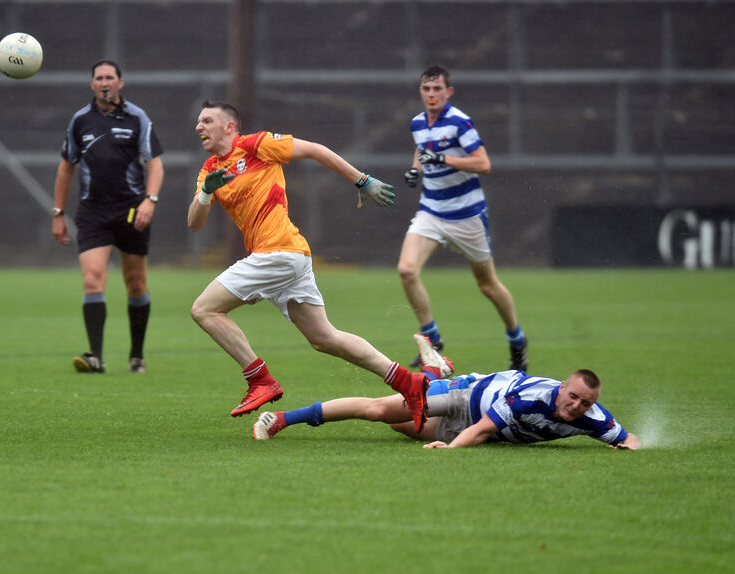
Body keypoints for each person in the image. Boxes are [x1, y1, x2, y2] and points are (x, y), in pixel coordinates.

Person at [187, 100, 430, 430]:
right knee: (324, 338)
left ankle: (259, 380)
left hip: (278, 254)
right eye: (199, 122)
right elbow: (195, 223)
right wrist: (206, 193)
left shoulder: (256, 145)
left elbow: (315, 150)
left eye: (207, 121)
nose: (199, 127)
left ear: (229, 126)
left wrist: (361, 179)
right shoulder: (210, 169)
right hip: (289, 257)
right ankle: (407, 382)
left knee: (204, 309)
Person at [252, 334, 641, 451]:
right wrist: (451, 449)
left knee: (399, 426)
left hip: (474, 424)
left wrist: (627, 447)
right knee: (379, 411)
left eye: (585, 402)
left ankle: (433, 370)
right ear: (562, 387)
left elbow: (629, 439)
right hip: (465, 397)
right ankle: (282, 420)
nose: (576, 406)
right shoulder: (531, 399)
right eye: (573, 396)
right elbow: (482, 429)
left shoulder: (592, 418)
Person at [400, 65, 528, 372]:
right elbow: (422, 150)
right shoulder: (417, 123)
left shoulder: (460, 122)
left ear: (449, 92)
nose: (432, 94)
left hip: (467, 216)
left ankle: (517, 339)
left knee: (487, 286)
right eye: (427, 89)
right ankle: (432, 338)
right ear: (421, 92)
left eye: (437, 89)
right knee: (406, 270)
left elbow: (483, 164)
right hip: (431, 211)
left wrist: (442, 158)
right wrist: (416, 170)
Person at [52, 59, 164, 374]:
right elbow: (66, 168)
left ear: (120, 83)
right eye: (99, 78)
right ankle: (95, 358)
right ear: (92, 84)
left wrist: (150, 201)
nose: (104, 83)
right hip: (93, 212)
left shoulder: (137, 117)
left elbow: (155, 164)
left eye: (109, 77)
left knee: (136, 283)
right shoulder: (80, 121)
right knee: (92, 279)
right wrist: (58, 213)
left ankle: (137, 355)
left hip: (132, 211)